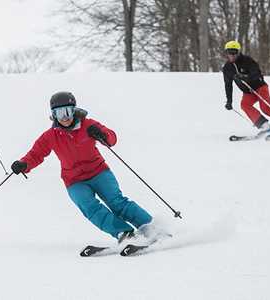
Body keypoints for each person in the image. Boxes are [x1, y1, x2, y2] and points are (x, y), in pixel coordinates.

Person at [10, 92, 165, 244]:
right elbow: (36, 154)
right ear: (53, 115)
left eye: (68, 111)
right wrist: (24, 164)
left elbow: (112, 138)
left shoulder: (88, 125)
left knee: (117, 202)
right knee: (89, 207)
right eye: (59, 113)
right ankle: (124, 233)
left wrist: (102, 134)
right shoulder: (50, 136)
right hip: (74, 181)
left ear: (74, 110)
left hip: (99, 172)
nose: (65, 117)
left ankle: (150, 228)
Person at [222, 40, 270, 137]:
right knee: (245, 105)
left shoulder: (247, 60)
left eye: (234, 52)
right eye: (229, 52)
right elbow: (228, 85)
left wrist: (245, 77)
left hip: (259, 87)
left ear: (238, 52)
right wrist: (229, 101)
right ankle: (265, 126)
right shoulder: (227, 68)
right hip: (248, 92)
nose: (231, 55)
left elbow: (257, 73)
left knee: (265, 108)